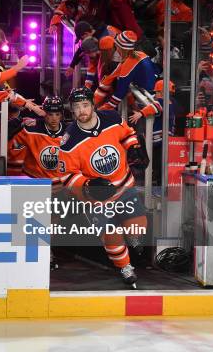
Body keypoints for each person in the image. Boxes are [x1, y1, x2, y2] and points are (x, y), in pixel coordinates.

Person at [59, 87, 149, 288]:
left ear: (93, 105)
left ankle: (133, 237)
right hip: (96, 199)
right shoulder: (69, 140)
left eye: (85, 105)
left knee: (138, 227)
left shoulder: (112, 118)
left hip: (124, 186)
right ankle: (126, 268)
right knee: (111, 236)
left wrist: (133, 148)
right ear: (72, 111)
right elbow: (66, 176)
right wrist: (88, 184)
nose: (81, 111)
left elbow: (127, 134)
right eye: (76, 107)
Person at [9, 96, 67, 190]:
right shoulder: (30, 128)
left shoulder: (69, 133)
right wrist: (19, 122)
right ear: (43, 113)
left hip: (59, 186)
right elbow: (6, 139)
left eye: (57, 114)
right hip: (32, 182)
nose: (54, 118)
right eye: (50, 114)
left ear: (61, 115)